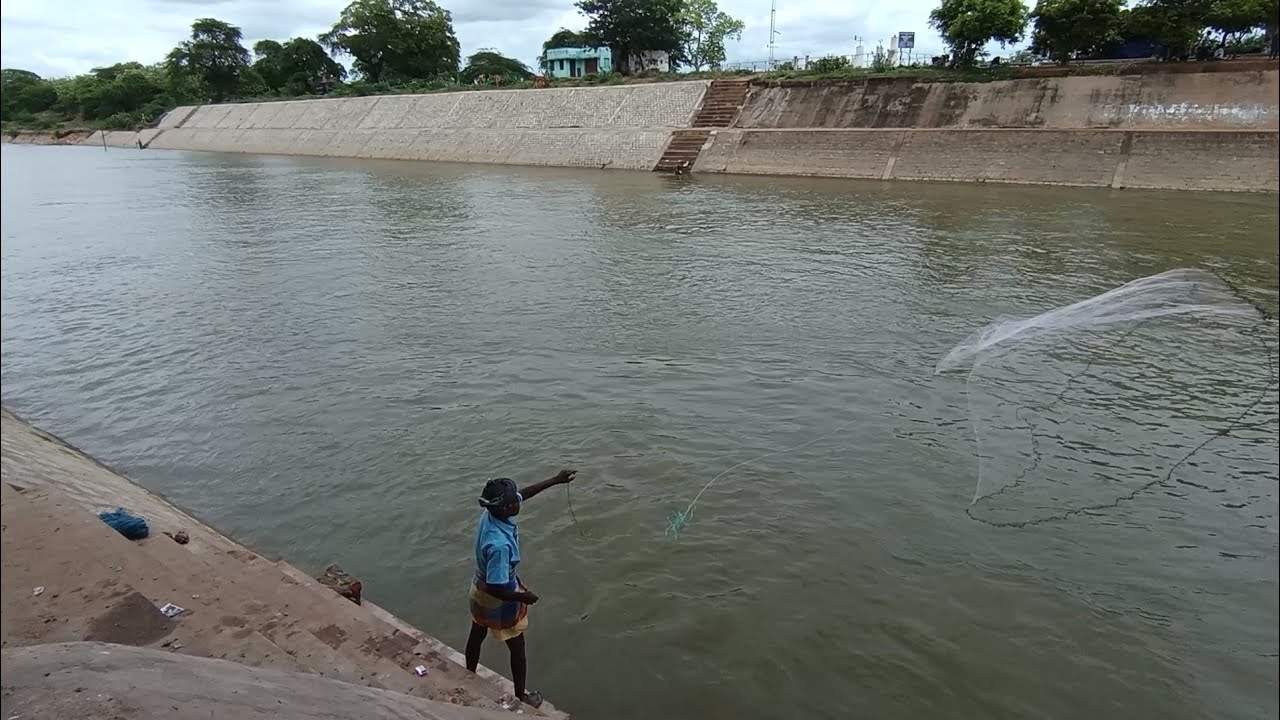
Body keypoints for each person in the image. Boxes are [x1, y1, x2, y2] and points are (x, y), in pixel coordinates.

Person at [466, 469, 576, 708]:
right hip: (496, 596)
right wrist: (523, 597)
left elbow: (523, 494)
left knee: (477, 633)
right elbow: (497, 588)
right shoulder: (500, 546)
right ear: (505, 508)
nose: (518, 501)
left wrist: (556, 480)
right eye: (512, 501)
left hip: (478, 588)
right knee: (517, 647)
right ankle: (521, 696)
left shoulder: (490, 514)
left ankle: (467, 674)